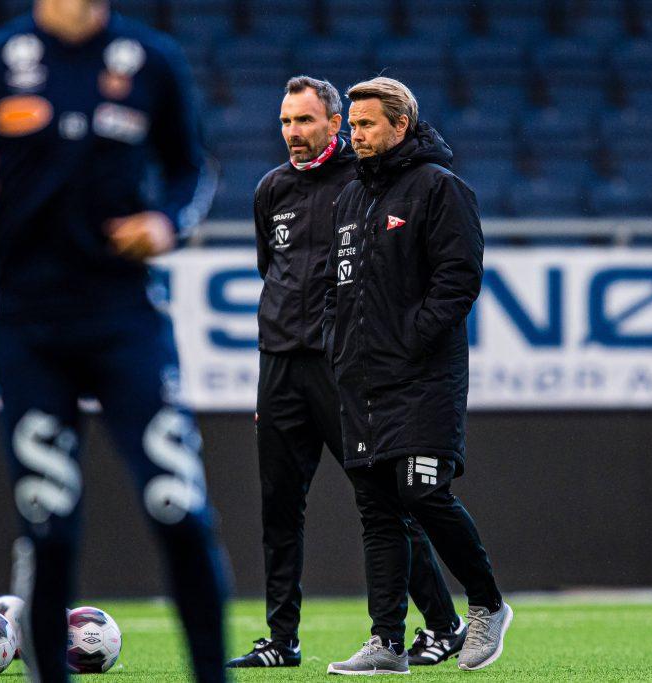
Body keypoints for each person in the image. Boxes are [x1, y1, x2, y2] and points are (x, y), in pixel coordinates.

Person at [0, 0, 225, 680]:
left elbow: (193, 170)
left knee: (181, 510)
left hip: (125, 320)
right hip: (29, 329)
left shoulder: (151, 59)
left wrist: (165, 222)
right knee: (51, 531)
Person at [227, 76, 465, 669]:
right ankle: (281, 640)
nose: (293, 133)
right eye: (285, 122)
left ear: (336, 124)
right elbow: (272, 272)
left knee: (384, 503)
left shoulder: (362, 184)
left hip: (343, 368)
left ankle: (443, 622)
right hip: (280, 367)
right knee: (279, 508)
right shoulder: (271, 189)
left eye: (304, 121)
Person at [323, 77, 512, 676]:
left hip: (423, 378)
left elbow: (459, 281)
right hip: (361, 381)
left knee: (424, 493)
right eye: (352, 126)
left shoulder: (440, 188)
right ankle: (387, 642)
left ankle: (486, 604)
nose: (356, 136)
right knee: (378, 511)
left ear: (400, 125)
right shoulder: (349, 199)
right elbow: (338, 291)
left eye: (367, 125)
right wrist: (341, 350)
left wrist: (410, 340)